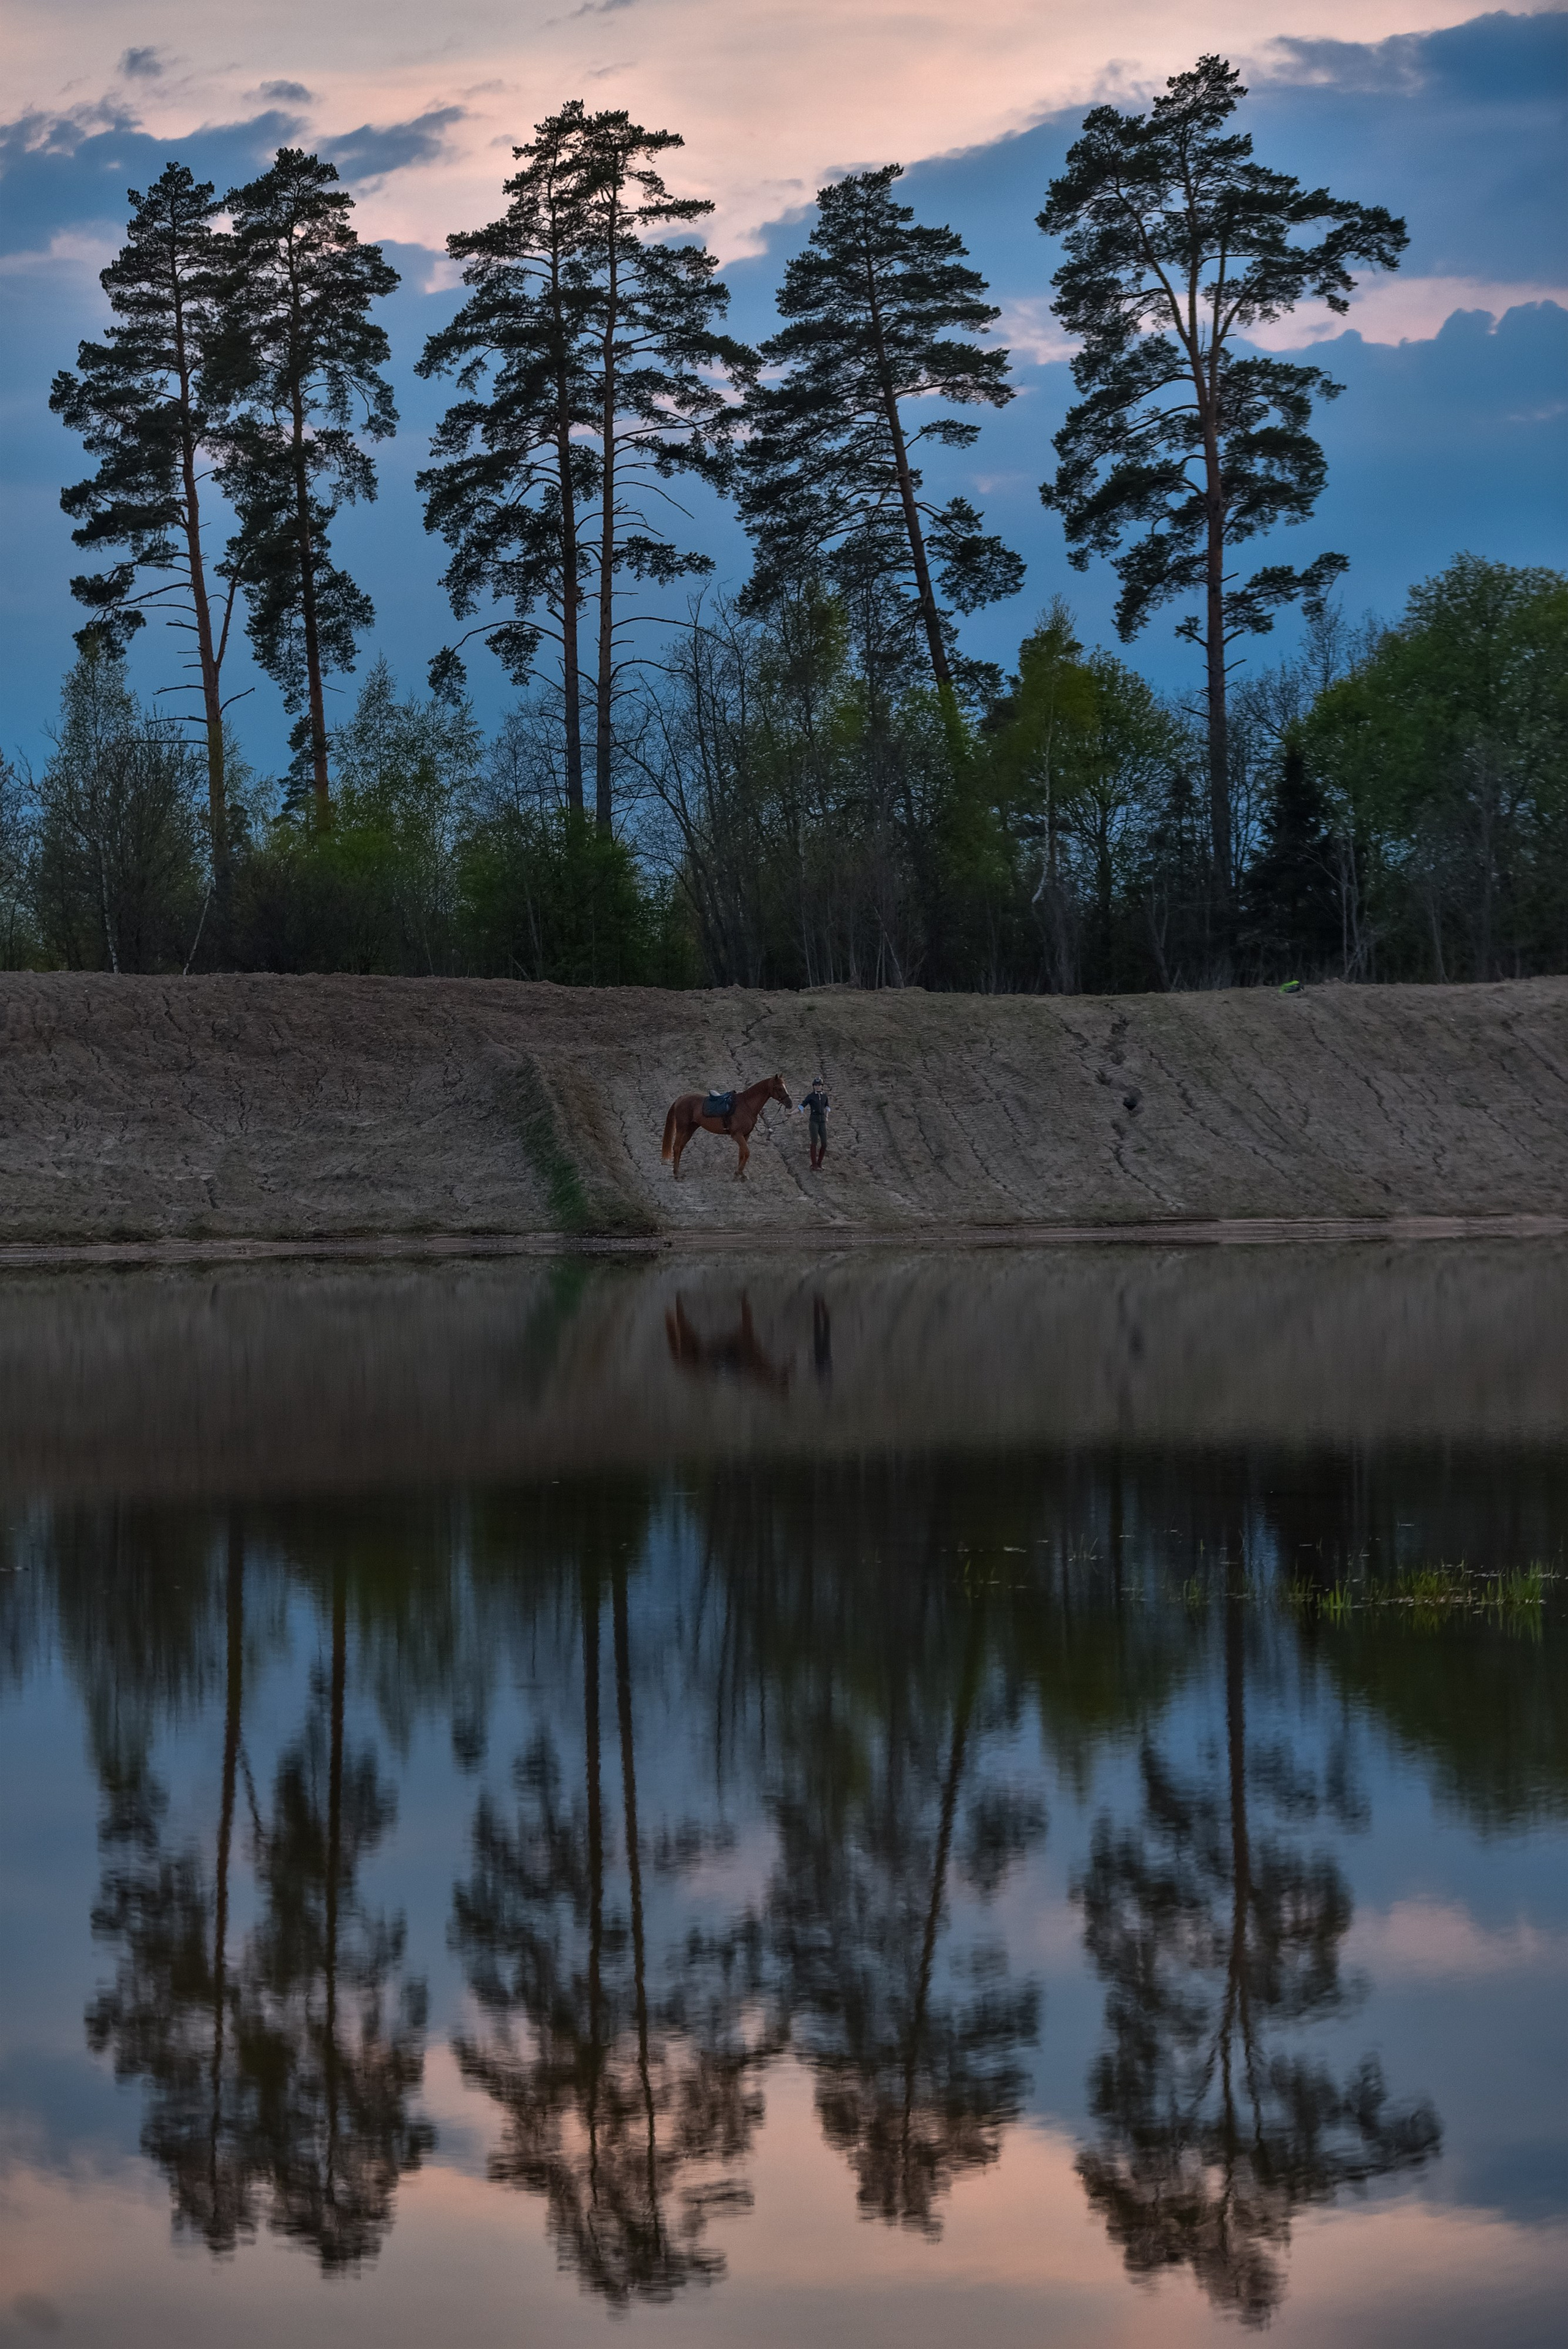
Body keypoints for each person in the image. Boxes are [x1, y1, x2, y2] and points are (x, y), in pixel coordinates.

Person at [799, 1075, 830, 1171]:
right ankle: (814, 1164)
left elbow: (827, 1107)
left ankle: (820, 1163)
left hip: (822, 1121)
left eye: (819, 1085)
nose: (817, 1086)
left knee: (824, 1143)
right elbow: (802, 1106)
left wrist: (827, 1116)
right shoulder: (811, 1096)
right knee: (814, 1142)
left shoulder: (825, 1096)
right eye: (816, 1085)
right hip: (814, 1121)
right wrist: (791, 1113)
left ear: (822, 1086)